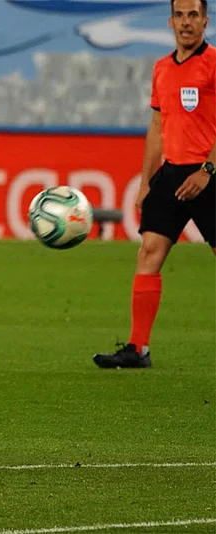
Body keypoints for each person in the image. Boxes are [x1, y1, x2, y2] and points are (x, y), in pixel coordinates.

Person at [94, 0, 215, 369]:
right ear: (170, 21)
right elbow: (157, 126)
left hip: (208, 173)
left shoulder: (213, 64)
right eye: (180, 15)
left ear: (205, 20)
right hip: (172, 173)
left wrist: (207, 170)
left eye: (193, 15)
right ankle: (138, 348)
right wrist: (146, 181)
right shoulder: (162, 68)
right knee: (149, 251)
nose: (186, 22)